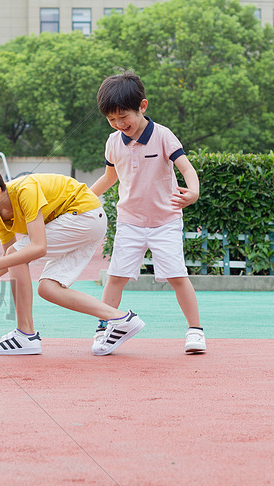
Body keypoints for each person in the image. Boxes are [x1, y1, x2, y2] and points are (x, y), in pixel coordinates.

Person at [0, 161, 144, 356]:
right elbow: (9, 260)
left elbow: (37, 247)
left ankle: (25, 335)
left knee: (16, 255)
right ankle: (121, 319)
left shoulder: (25, 190)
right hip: (87, 221)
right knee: (48, 288)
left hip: (84, 214)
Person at [90, 71, 206, 354]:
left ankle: (196, 331)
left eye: (123, 116)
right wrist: (81, 198)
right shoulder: (113, 141)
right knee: (115, 276)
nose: (119, 124)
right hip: (130, 222)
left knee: (178, 276)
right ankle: (103, 328)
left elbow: (187, 168)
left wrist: (193, 192)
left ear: (142, 106)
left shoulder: (163, 136)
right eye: (111, 119)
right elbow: (109, 178)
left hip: (165, 222)